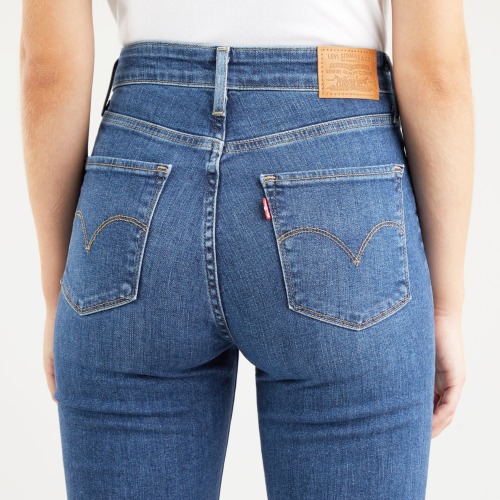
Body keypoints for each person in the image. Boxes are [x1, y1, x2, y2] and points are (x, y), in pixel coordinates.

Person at [20, 0, 473, 498]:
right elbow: (436, 71)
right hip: (338, 170)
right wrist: (445, 308)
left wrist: (56, 292)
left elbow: (48, 69)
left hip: (138, 177)